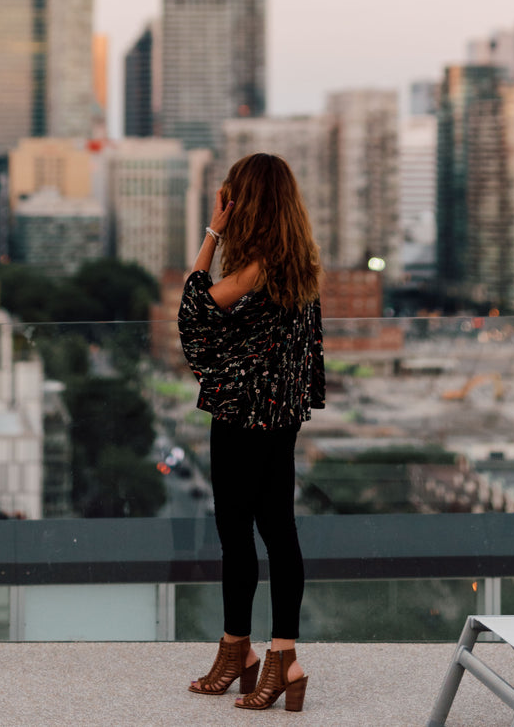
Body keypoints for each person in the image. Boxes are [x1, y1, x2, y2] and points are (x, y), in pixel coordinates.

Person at [178, 152, 325, 712]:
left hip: (242, 418)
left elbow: (193, 311)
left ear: (246, 203)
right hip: (280, 418)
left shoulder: (255, 266)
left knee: (236, 534)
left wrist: (213, 231)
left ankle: (239, 650)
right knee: (279, 531)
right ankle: (280, 655)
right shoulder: (300, 264)